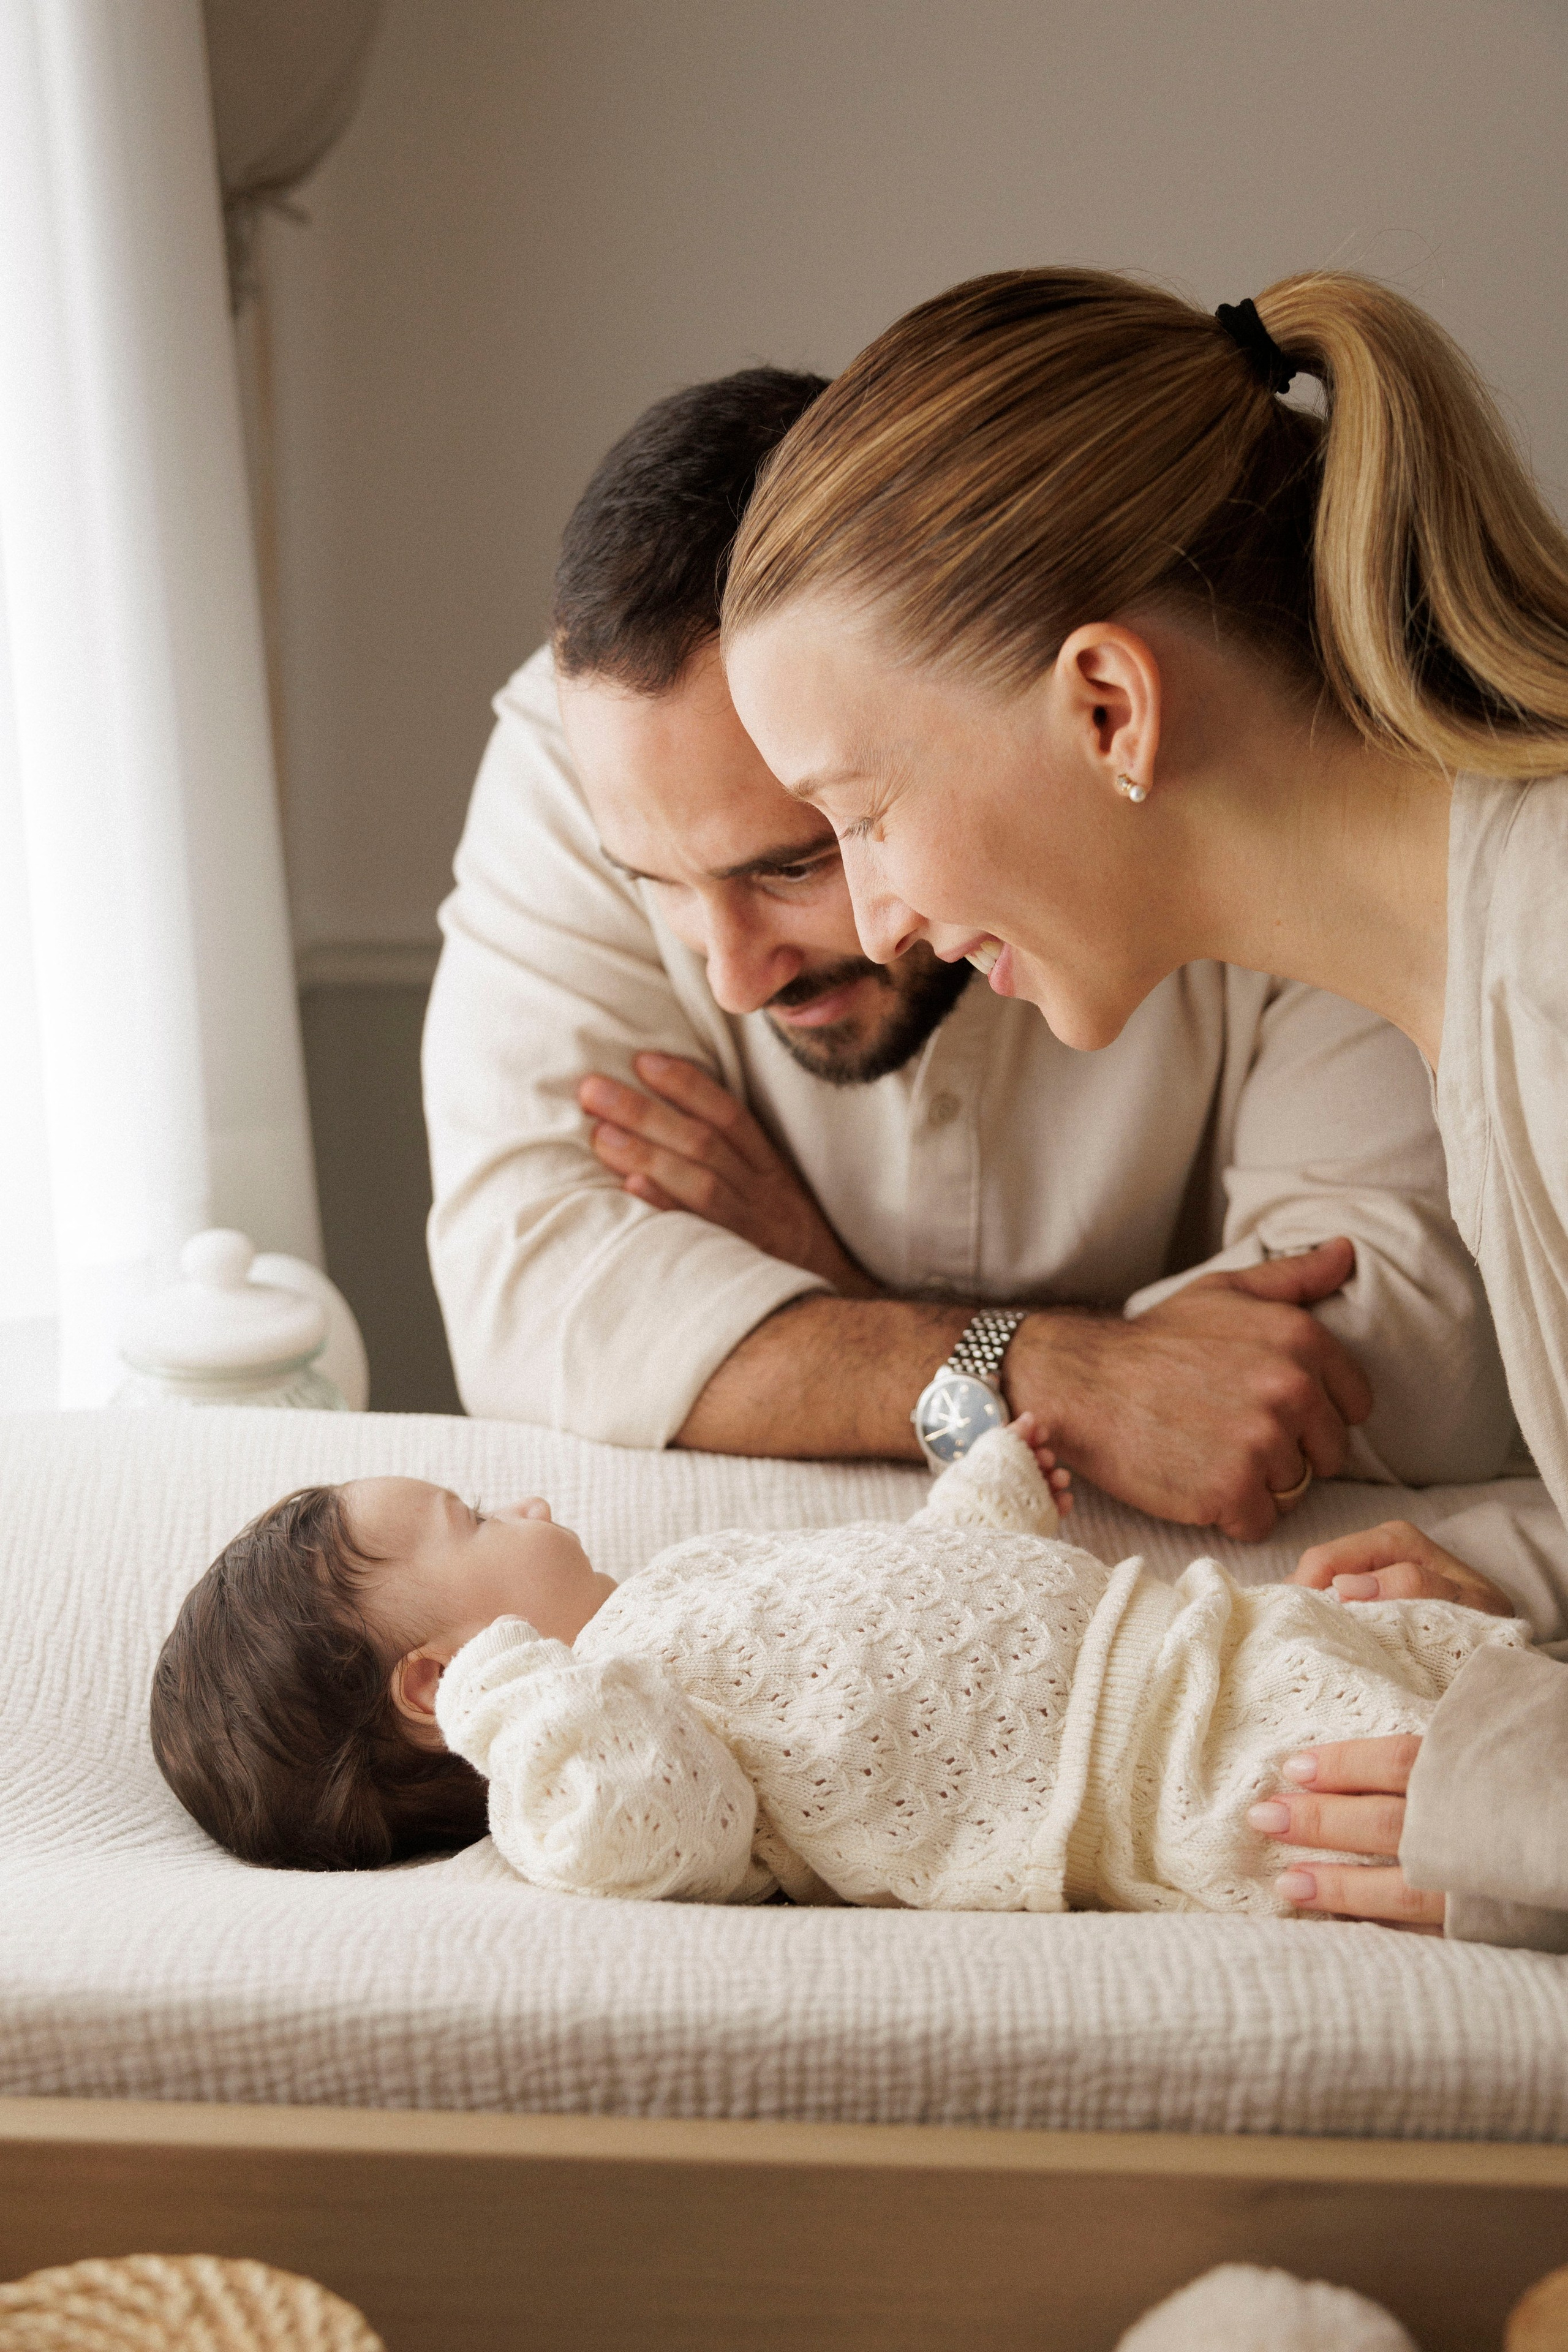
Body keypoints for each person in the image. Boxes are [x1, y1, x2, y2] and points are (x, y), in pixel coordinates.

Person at [718, 265, 1568, 1945]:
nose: (876, 922)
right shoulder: (1486, 987)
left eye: (863, 816)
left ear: (1109, 704)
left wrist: (1524, 1798)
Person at [421, 367, 1513, 1542]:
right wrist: (1052, 1372)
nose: (731, 981)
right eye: (659, 893)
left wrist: (829, 1314)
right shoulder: (590, 745)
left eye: (801, 858)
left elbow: (1409, 1362)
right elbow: (530, 1305)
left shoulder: (1285, 772)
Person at [149, 1422, 1527, 1911]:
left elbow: (905, 1609)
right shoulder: (603, 1759)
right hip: (1189, 1776)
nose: (522, 1506)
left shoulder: (679, 1589)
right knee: (1485, 1791)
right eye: (470, 1522)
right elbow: (635, 1822)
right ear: (436, 1681)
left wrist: (988, 1493)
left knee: (1506, 1694)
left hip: (1206, 1636)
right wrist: (504, 1704)